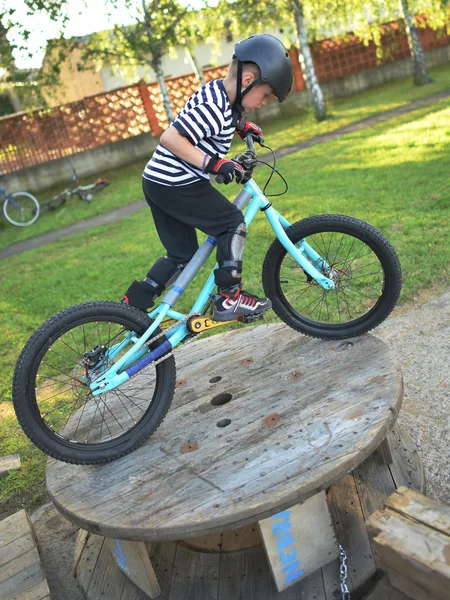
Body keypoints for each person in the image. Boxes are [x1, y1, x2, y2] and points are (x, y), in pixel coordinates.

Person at [121, 33, 294, 321]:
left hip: (158, 182)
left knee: (181, 253)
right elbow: (171, 138)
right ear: (248, 81)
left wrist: (243, 127)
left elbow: (226, 116)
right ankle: (229, 297)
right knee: (230, 223)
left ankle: (131, 307)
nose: (264, 103)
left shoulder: (222, 98)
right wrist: (213, 164)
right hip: (176, 183)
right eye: (265, 95)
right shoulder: (214, 108)